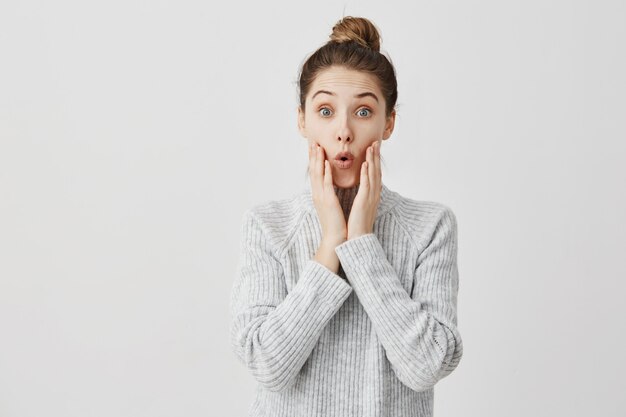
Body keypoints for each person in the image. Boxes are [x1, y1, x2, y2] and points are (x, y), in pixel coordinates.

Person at [229, 16, 463, 417]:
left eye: (363, 112)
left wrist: (362, 244)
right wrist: (330, 243)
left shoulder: (430, 227)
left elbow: (426, 366)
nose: (343, 131)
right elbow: (267, 364)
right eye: (324, 110)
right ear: (301, 120)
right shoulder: (269, 226)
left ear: (388, 123)